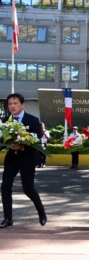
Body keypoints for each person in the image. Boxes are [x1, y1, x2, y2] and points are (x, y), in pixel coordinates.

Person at [0, 93, 47, 229]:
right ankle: (8, 218)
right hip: (12, 159)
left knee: (28, 189)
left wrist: (22, 146)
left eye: (15, 103)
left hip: (27, 159)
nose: (12, 106)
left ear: (22, 104)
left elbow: (36, 141)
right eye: (10, 104)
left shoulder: (32, 120)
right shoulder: (4, 121)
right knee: (5, 186)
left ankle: (41, 213)